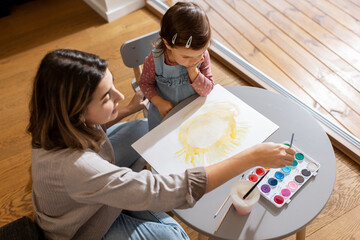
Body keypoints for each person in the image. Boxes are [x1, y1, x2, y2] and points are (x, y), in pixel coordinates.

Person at [28, 49, 296, 240]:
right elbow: (158, 191)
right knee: (174, 235)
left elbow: (94, 126)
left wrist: (125, 110)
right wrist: (250, 157)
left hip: (90, 192)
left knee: (142, 130)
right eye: (107, 97)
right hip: (84, 228)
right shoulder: (77, 167)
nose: (120, 95)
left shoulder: (54, 120)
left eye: (112, 85)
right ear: (76, 111)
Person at [139, 2, 214, 130]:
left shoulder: (201, 56)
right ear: (168, 44)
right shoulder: (155, 59)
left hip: (193, 113)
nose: (195, 60)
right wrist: (158, 101)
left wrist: (193, 71)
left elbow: (207, 90)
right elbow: (145, 84)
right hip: (164, 115)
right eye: (186, 57)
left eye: (200, 53)